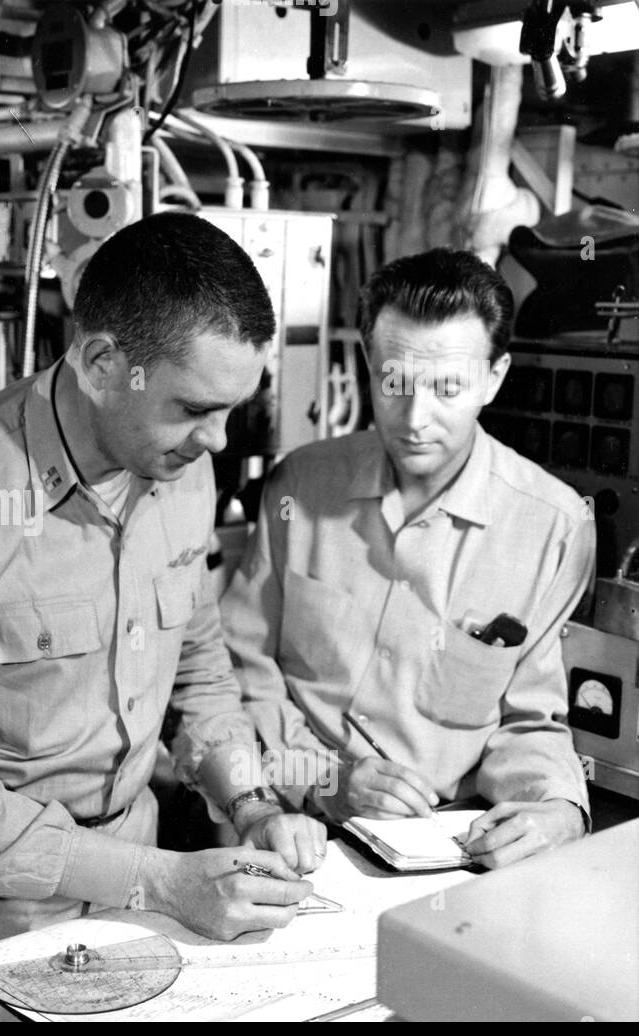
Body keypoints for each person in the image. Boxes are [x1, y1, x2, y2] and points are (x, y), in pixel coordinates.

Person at [0, 212, 325, 1022]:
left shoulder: (183, 472)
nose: (218, 438)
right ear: (104, 363)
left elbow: (200, 675)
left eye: (233, 409)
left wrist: (253, 803)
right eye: (195, 408)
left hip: (137, 902)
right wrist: (158, 877)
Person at [221, 247, 594, 869]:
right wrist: (324, 779)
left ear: (495, 376)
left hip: (443, 847)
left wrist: (557, 809)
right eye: (395, 382)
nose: (417, 419)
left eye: (449, 388)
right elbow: (239, 668)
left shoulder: (552, 526)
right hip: (287, 824)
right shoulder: (301, 486)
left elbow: (529, 721)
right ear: (368, 362)